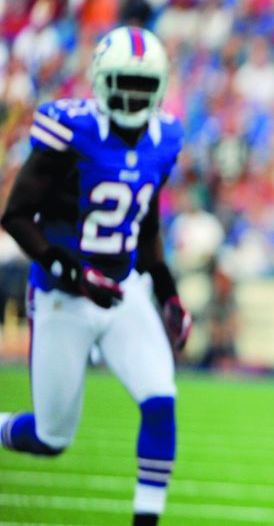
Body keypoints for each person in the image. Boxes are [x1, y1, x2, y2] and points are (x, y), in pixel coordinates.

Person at [0, 26, 191, 526]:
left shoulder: (165, 138)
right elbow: (17, 215)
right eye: (121, 82)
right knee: (51, 438)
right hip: (64, 295)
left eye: (142, 85)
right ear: (99, 82)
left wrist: (168, 292)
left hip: (125, 291)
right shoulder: (70, 129)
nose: (131, 95)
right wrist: (71, 269)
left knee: (160, 400)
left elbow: (145, 222)